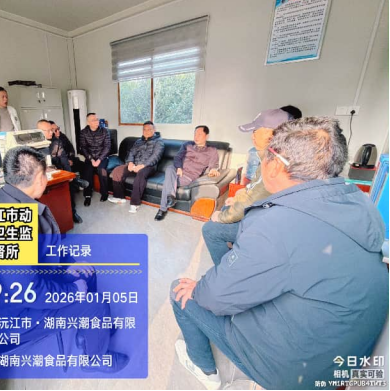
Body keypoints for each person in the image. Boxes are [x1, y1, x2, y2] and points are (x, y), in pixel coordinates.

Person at [171, 117, 389, 390]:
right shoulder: (360, 202)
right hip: (341, 357)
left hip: (295, 372)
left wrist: (202, 288)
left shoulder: (275, 224)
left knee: (181, 290)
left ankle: (204, 369)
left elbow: (214, 299)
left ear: (275, 164)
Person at [0, 147, 129, 373]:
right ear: (39, 178)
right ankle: (93, 359)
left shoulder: (7, 198)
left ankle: (92, 330)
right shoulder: (8, 222)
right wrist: (73, 291)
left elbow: (43, 251)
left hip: (31, 283)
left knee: (87, 272)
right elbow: (28, 293)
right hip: (18, 312)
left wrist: (68, 263)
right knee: (96, 304)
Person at [202, 108, 291, 265]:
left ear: (272, 134)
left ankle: (227, 273)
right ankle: (237, 255)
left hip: (266, 225)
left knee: (210, 229)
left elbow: (252, 199)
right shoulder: (272, 155)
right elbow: (254, 188)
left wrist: (221, 217)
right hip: (262, 213)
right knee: (228, 205)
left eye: (255, 131)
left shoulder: (276, 164)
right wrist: (237, 198)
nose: (252, 136)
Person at [155, 125, 220, 221]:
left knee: (168, 181)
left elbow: (213, 165)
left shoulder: (211, 150)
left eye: (199, 134)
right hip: (177, 170)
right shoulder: (187, 145)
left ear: (206, 136)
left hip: (189, 176)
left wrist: (213, 170)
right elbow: (177, 157)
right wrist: (179, 167)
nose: (196, 137)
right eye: (195, 134)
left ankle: (162, 209)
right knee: (169, 168)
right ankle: (170, 197)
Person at [36, 119, 85, 224]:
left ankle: (72, 212)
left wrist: (69, 175)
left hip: (58, 171)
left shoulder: (56, 142)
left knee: (69, 190)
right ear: (39, 131)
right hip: (41, 176)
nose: (51, 132)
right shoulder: (33, 145)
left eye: (52, 130)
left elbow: (64, 159)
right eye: (48, 130)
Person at [109, 121, 164, 214]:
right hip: (135, 164)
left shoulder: (159, 142)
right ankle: (119, 197)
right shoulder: (138, 141)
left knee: (141, 174)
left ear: (154, 130)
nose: (146, 131)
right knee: (118, 170)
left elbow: (155, 157)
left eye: (149, 129)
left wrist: (142, 166)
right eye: (144, 129)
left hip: (149, 166)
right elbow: (131, 153)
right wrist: (130, 163)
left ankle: (135, 203)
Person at [79, 113, 111, 206]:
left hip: (102, 157)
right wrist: (91, 159)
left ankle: (104, 193)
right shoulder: (83, 132)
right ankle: (87, 195)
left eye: (97, 119)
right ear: (88, 122)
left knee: (102, 170)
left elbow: (107, 147)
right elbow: (83, 148)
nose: (97, 122)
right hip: (90, 158)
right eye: (93, 120)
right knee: (87, 171)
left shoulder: (104, 131)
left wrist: (99, 159)